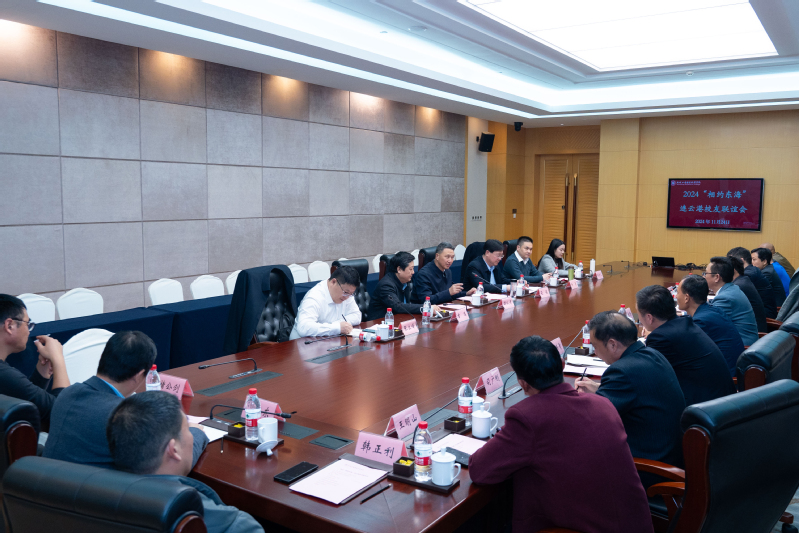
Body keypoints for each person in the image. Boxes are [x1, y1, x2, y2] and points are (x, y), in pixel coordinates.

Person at [469, 336, 653, 533]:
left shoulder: (528, 417)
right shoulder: (603, 403)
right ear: (563, 365)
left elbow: (479, 471)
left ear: (523, 383)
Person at [44, 331, 208, 468]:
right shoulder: (126, 418)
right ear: (139, 375)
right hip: (96, 495)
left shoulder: (67, 393)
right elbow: (173, 464)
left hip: (49, 489)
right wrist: (196, 432)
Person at [107, 392, 264, 533]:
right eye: (188, 429)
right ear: (173, 449)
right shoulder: (234, 525)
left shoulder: (102, 499)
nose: (191, 434)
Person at [575, 312, 685, 479]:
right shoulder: (652, 354)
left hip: (650, 468)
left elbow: (593, 419)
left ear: (612, 344)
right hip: (672, 455)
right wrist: (600, 388)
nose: (595, 352)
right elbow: (635, 392)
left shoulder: (622, 371)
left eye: (595, 346)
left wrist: (573, 399)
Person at [637, 285, 735, 405]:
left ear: (649, 318)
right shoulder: (683, 323)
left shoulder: (661, 338)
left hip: (706, 407)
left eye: (639, 315)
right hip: (722, 399)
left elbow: (646, 375)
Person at [0, 294, 68, 424]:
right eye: (28, 324)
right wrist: (58, 359)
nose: (29, 331)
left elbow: (27, 398)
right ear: (9, 326)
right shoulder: (4, 374)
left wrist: (43, 370)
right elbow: (65, 411)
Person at [676, 275, 745, 376]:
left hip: (723, 377)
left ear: (686, 298)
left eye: (678, 292)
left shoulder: (701, 322)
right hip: (729, 369)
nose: (676, 296)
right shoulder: (713, 310)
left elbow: (683, 353)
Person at [289, 265, 362, 340]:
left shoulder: (347, 294)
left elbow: (356, 315)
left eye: (351, 294)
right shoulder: (314, 297)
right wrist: (336, 327)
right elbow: (304, 328)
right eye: (345, 292)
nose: (347, 297)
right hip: (302, 343)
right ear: (333, 282)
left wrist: (338, 324)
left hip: (327, 340)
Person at [366, 252, 440, 321]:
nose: (413, 272)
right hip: (380, 323)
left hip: (400, 320)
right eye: (410, 269)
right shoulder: (386, 285)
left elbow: (408, 305)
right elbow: (398, 306)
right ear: (399, 269)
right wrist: (425, 308)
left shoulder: (405, 281)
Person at [705, 256, 759, 346]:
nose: (704, 276)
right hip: (740, 341)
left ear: (717, 277)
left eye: (706, 273)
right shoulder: (732, 288)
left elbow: (709, 325)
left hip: (741, 346)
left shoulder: (725, 298)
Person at [728, 247, 777, 318]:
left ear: (741, 261)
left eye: (730, 262)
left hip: (764, 315)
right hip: (759, 312)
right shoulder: (752, 270)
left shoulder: (748, 275)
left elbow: (732, 292)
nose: (727, 266)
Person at [729, 255, 768, 333]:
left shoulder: (739, 286)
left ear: (733, 270)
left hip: (753, 332)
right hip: (754, 327)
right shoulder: (743, 280)